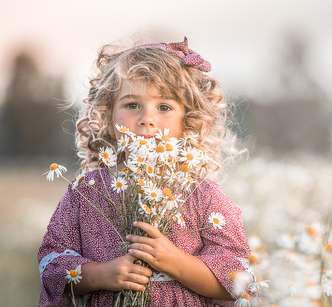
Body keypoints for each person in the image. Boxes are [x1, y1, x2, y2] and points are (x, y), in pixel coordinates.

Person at [38, 37, 254, 307]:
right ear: (108, 116)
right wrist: (102, 275)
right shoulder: (87, 191)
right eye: (132, 105)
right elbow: (52, 266)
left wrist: (177, 263)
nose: (147, 118)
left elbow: (238, 282)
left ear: (188, 120)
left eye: (164, 107)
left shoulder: (203, 195)